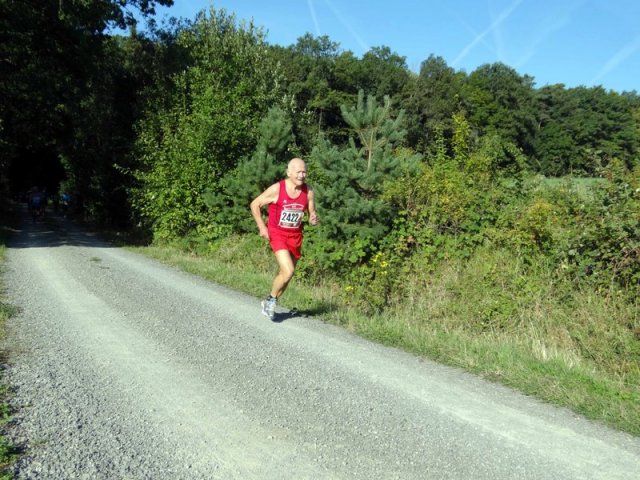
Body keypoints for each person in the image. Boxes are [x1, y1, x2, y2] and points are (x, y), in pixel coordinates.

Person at [250, 158, 319, 320]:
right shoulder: (277, 189)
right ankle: (271, 300)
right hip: (277, 234)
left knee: (286, 275)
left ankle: (270, 300)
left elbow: (311, 212)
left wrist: (313, 218)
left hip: (295, 236)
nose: (302, 175)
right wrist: (262, 227)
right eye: (298, 172)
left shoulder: (308, 191)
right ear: (289, 173)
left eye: (304, 172)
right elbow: (255, 204)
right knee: (289, 271)